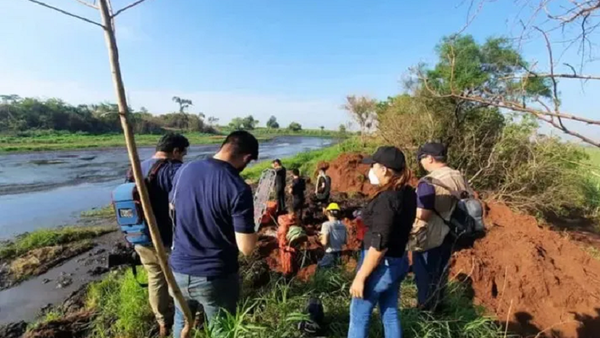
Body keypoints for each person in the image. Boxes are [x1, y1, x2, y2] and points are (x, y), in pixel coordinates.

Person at [168, 131, 259, 337]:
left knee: (182, 323)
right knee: (222, 330)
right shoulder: (238, 187)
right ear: (246, 158)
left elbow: (172, 206)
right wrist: (256, 235)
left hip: (179, 270)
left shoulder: (185, 169)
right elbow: (246, 248)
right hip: (216, 276)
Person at [125, 132, 189, 337]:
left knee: (155, 278)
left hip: (140, 236)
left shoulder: (135, 167)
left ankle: (162, 322)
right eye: (183, 154)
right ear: (176, 151)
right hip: (168, 238)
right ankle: (186, 317)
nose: (183, 158)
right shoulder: (173, 170)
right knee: (179, 278)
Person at [348, 146, 416, 338]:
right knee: (390, 312)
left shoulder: (387, 199)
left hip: (381, 264)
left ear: (384, 169)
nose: (371, 170)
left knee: (359, 315)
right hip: (398, 260)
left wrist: (360, 277)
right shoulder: (408, 193)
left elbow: (379, 244)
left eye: (374, 166)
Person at [410, 142, 471, 312]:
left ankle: (425, 312)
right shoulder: (458, 176)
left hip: (431, 236)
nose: (420, 162)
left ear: (430, 158)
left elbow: (423, 214)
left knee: (424, 276)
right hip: (452, 233)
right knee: (441, 273)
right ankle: (440, 306)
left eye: (421, 158)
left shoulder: (428, 182)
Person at [317, 203, 347, 269]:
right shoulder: (343, 226)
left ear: (329, 213)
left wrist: (320, 237)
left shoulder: (326, 225)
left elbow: (324, 242)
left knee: (320, 271)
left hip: (330, 254)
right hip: (339, 254)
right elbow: (344, 241)